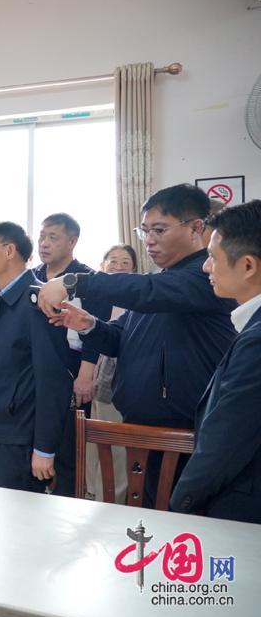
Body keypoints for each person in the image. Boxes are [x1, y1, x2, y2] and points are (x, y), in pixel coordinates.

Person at [39, 184, 237, 506]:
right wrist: (89, 326)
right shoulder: (162, 280)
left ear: (195, 228)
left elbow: (147, 292)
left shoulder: (204, 276)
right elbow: (119, 338)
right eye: (144, 231)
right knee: (149, 517)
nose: (149, 240)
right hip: (145, 431)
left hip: (187, 434)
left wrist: (75, 281)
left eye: (159, 230)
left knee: (182, 522)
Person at [170, 200, 261, 523]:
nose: (206, 267)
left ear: (247, 266)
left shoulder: (257, 340)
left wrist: (179, 506)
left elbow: (227, 439)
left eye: (212, 257)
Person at [0, 222, 74, 492]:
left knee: (19, 511)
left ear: (9, 251)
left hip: (20, 432)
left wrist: (44, 448)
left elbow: (53, 379)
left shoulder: (39, 300)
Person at [33, 213, 112, 497]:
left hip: (73, 373)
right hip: (37, 375)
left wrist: (85, 375)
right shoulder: (32, 277)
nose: (44, 243)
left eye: (52, 237)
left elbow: (97, 331)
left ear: (72, 241)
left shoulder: (86, 279)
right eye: (42, 236)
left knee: (68, 451)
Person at [86, 244, 138, 501]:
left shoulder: (139, 300)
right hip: (97, 378)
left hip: (121, 380)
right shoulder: (97, 296)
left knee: (116, 448)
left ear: (134, 269)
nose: (118, 266)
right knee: (94, 442)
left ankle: (109, 501)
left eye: (125, 262)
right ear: (102, 265)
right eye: (113, 261)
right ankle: (91, 494)